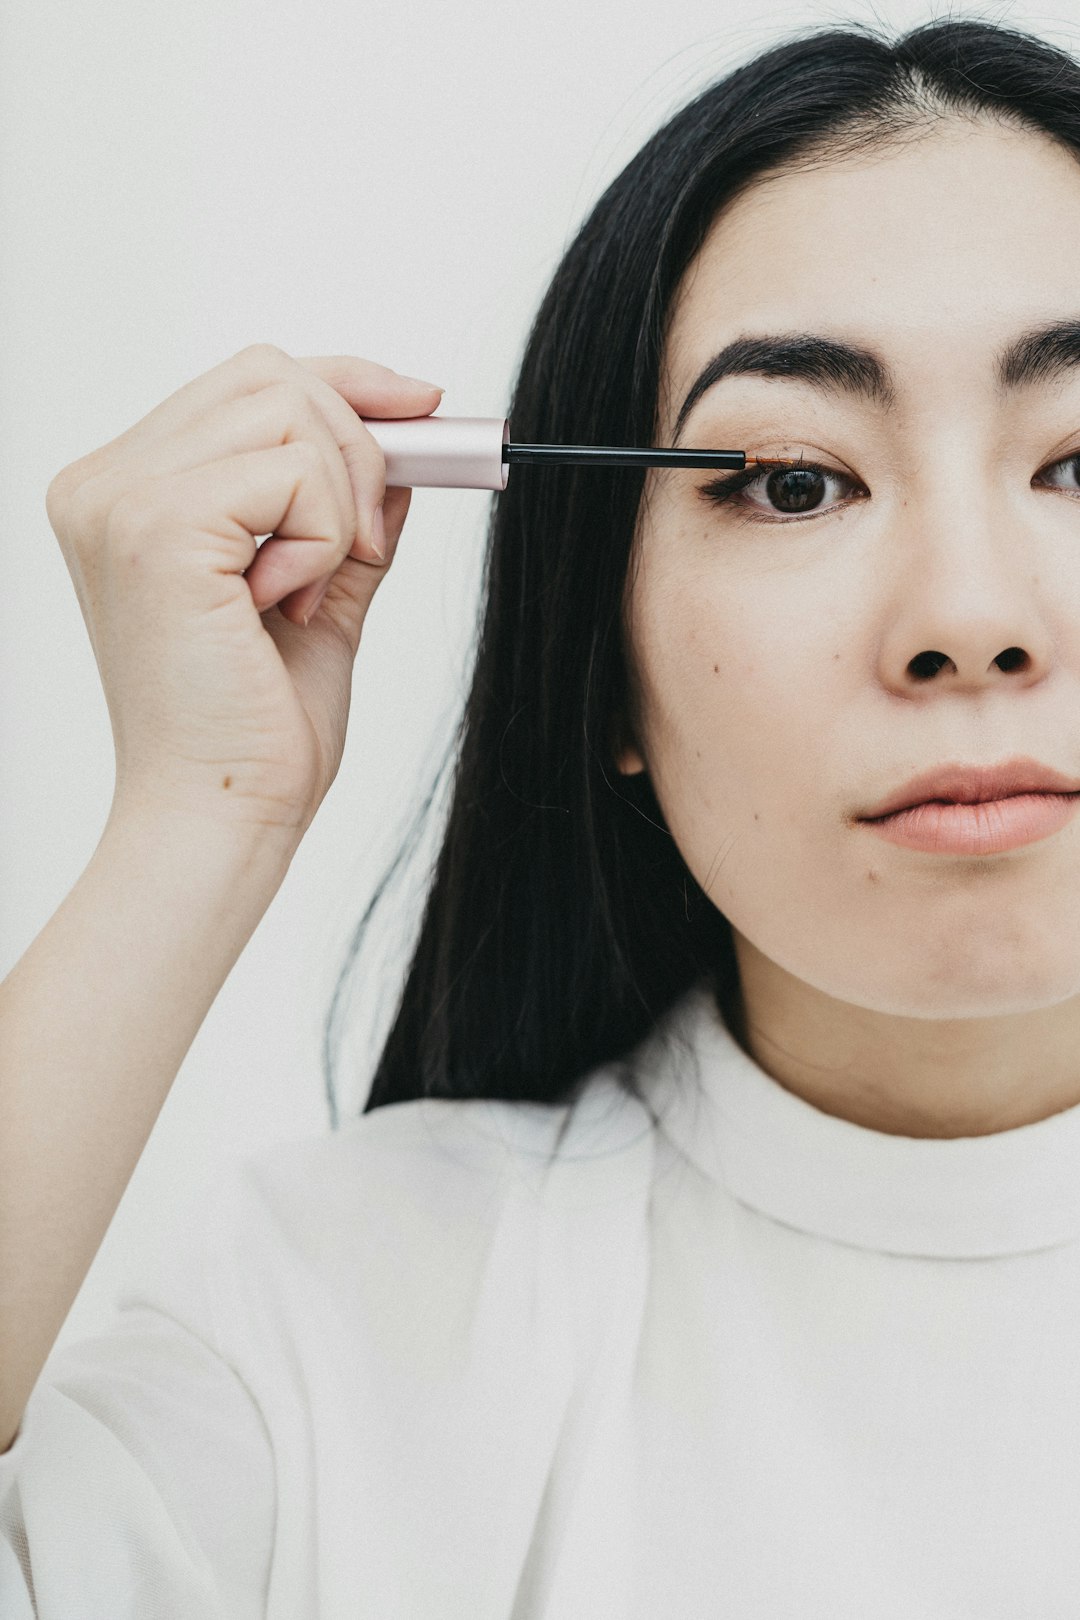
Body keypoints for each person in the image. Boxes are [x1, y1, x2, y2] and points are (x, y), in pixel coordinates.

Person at [6, 11, 1080, 1615]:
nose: (972, 616)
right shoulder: (335, 1320)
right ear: (606, 668)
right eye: (793, 480)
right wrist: (197, 814)